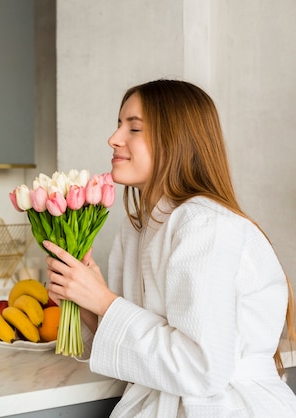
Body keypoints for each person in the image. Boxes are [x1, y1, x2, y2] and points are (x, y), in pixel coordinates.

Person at [44, 79, 296, 416]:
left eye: (134, 128)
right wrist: (87, 303)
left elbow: (202, 367)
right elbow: (141, 347)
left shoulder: (205, 226)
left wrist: (104, 300)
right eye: (119, 125)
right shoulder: (136, 228)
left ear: (175, 140)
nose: (114, 139)